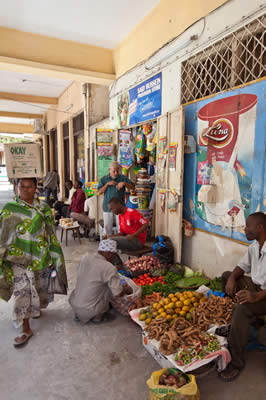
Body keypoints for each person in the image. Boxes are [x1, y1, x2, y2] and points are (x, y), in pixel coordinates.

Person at [0, 177, 67, 347]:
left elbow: (51, 233)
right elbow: (3, 233)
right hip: (17, 259)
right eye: (21, 186)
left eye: (29, 186)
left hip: (40, 257)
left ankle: (34, 312)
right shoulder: (9, 209)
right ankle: (26, 327)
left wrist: (54, 255)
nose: (25, 189)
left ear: (36, 188)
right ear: (16, 187)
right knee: (22, 291)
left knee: (38, 288)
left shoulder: (43, 208)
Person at [219, 212, 266, 381]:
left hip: (264, 293)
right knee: (226, 276)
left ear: (260, 227)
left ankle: (236, 362)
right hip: (258, 287)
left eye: (248, 226)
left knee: (243, 308)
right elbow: (242, 266)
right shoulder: (255, 246)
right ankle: (251, 321)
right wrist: (232, 278)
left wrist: (255, 297)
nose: (245, 229)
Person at [69, 239, 129, 323]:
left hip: (75, 304)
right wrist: (125, 289)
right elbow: (118, 293)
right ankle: (98, 316)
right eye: (114, 255)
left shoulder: (85, 257)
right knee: (110, 288)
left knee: (90, 283)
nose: (114, 258)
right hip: (91, 309)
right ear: (109, 253)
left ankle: (81, 313)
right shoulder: (109, 267)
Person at [98, 161, 134, 236]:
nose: (116, 173)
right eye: (113, 171)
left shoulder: (123, 178)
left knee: (121, 227)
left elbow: (132, 187)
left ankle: (119, 243)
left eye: (117, 171)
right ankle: (108, 245)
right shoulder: (104, 179)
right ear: (109, 170)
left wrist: (124, 184)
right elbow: (99, 192)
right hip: (107, 207)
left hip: (120, 208)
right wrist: (107, 184)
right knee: (107, 228)